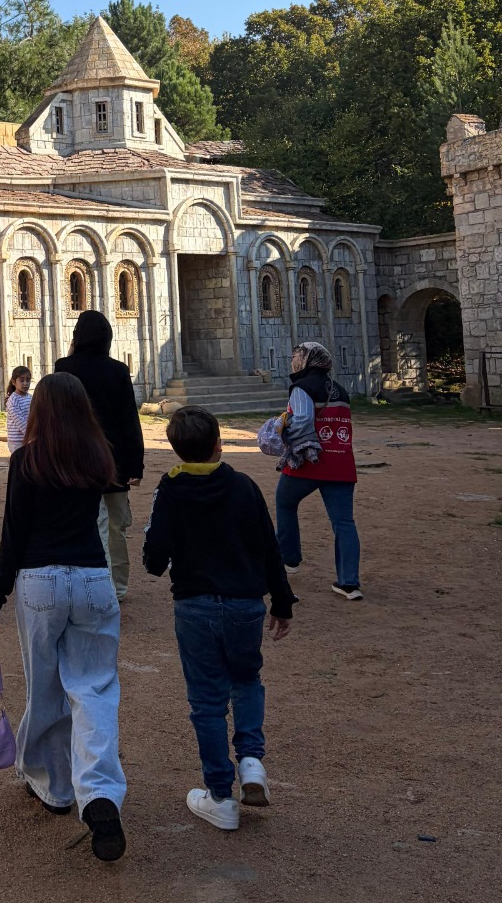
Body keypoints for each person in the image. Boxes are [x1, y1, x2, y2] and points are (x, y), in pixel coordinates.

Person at [0, 372, 127, 863]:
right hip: (93, 578)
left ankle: (54, 785)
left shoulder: (28, 461)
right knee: (94, 688)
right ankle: (99, 793)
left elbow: (13, 535)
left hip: (40, 580)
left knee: (45, 684)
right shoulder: (98, 457)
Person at [143, 406, 295, 831]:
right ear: (219, 444)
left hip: (195, 604)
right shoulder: (244, 486)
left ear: (175, 449)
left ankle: (220, 795)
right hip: (246, 603)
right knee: (246, 680)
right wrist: (282, 601)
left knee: (207, 701)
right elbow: (269, 547)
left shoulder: (171, 488)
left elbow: (154, 559)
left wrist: (164, 552)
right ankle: (251, 761)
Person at [55, 310, 145, 601]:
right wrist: (136, 465)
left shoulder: (64, 367)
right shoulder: (118, 370)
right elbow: (129, 420)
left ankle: (96, 583)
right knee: (116, 527)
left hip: (77, 459)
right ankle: (117, 587)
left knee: (92, 523)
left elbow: (58, 416)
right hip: (114, 460)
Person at [274, 342, 363, 600]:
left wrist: (280, 431)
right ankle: (349, 582)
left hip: (309, 460)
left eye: (296, 355)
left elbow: (302, 420)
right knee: (344, 522)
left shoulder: (302, 387)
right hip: (341, 461)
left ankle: (289, 558)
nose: (293, 360)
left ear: (307, 360)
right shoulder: (339, 389)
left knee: (285, 502)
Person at [4, 366, 32, 454]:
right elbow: (20, 421)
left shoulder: (30, 398)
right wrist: (32, 435)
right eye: (22, 380)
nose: (25, 383)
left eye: (28, 380)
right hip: (16, 442)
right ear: (14, 382)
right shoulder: (13, 400)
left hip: (28, 439)